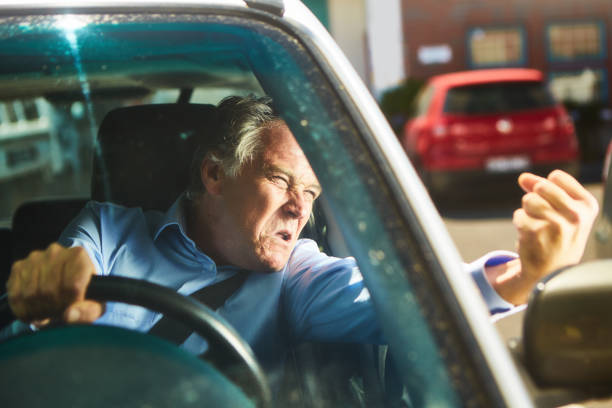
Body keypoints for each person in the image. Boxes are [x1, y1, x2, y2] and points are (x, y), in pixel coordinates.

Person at [4, 95, 599, 374]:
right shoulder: (109, 228)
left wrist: (520, 276)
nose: (300, 209)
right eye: (282, 180)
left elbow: (405, 302)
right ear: (215, 173)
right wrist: (47, 305)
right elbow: (61, 283)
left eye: (311, 193)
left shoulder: (298, 276)